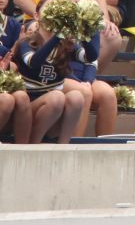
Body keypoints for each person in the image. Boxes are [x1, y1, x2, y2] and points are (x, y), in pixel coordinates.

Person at [55, 0, 117, 138]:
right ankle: (76, 144)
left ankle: (106, 147)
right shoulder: (54, 21)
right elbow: (55, 61)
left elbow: (92, 59)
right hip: (61, 75)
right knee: (85, 93)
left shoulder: (90, 21)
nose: (73, 0)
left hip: (85, 77)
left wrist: (88, 81)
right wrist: (79, 82)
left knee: (108, 95)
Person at [16, 8, 87, 143]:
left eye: (57, 10)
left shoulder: (66, 43)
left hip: (53, 110)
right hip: (26, 109)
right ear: (36, 15)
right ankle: (34, 145)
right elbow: (34, 62)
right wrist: (57, 36)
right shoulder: (27, 41)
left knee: (77, 96)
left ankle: (62, 147)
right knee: (57, 97)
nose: (54, 14)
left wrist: (87, 31)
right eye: (49, 10)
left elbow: (89, 57)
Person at [0, 0, 32, 143]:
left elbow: (14, 60)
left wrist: (18, 44)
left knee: (21, 97)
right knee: (5, 100)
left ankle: (23, 148)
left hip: (7, 73)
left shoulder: (12, 23)